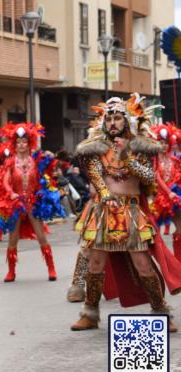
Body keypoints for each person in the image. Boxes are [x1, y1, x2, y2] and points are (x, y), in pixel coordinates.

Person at [72, 94, 181, 332]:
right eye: (108, 118)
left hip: (131, 212)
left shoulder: (139, 148)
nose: (112, 122)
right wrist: (105, 195)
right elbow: (96, 178)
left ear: (127, 121)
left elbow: (149, 177)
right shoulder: (95, 150)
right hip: (104, 212)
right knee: (95, 264)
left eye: (118, 118)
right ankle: (90, 313)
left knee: (143, 264)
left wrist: (127, 157)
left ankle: (161, 310)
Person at [0, 122, 64, 282]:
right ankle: (11, 271)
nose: (21, 145)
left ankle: (51, 268)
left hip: (33, 203)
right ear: (14, 144)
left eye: (24, 142)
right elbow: (5, 181)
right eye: (18, 142)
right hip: (16, 203)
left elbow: (45, 177)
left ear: (29, 143)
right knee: (13, 237)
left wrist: (51, 164)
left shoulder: (36, 161)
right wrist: (10, 193)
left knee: (41, 236)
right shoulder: (11, 162)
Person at [150, 123, 181, 260]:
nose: (163, 146)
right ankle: (159, 259)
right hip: (159, 198)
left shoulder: (175, 160)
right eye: (161, 143)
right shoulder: (154, 161)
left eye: (165, 143)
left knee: (179, 230)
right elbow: (157, 177)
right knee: (151, 232)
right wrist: (168, 192)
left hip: (173, 198)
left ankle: (178, 260)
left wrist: (173, 191)